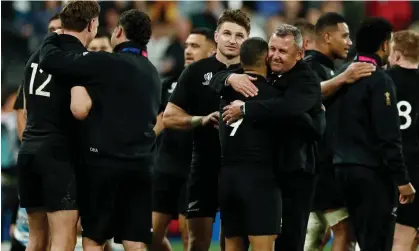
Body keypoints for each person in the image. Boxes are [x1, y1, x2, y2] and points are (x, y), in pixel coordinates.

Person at [39, 7, 160, 251]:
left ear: (119, 32)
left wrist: (53, 36)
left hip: (104, 165)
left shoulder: (105, 62)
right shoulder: (153, 72)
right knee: (135, 242)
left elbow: (51, 62)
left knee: (94, 238)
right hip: (141, 166)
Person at [212, 24, 324, 251]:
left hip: (295, 172)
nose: (274, 56)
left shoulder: (307, 79)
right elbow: (217, 78)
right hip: (266, 174)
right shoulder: (267, 73)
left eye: (282, 51)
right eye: (272, 49)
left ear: (300, 54)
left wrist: (246, 109)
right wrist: (229, 78)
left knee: (289, 241)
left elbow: (290, 108)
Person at [162, 9, 250, 251]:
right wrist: (199, 120)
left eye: (239, 35)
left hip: (240, 169)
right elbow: (169, 117)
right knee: (196, 243)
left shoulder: (254, 74)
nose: (233, 40)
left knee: (233, 243)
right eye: (228, 33)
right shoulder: (195, 71)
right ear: (217, 37)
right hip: (203, 166)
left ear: (247, 40)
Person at [17, 2, 98, 250]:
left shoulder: (36, 56)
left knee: (36, 238)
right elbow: (80, 108)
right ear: (92, 24)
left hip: (29, 150)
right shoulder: (79, 59)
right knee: (63, 238)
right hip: (58, 156)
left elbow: (27, 107)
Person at [332, 17, 416, 251]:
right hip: (370, 175)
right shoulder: (379, 79)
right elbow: (388, 135)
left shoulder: (341, 75)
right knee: (376, 243)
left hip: (340, 170)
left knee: (353, 239)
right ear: (384, 45)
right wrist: (402, 180)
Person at [304, 12, 366, 251]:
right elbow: (308, 94)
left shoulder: (330, 68)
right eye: (345, 36)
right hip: (319, 165)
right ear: (327, 37)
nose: (349, 42)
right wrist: (344, 78)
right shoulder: (311, 66)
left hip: (325, 164)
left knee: (316, 234)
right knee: (345, 230)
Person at [152, 27, 216, 251]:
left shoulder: (217, 86)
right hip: (165, 165)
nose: (188, 51)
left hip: (195, 169)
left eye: (196, 46)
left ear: (212, 51)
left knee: (191, 240)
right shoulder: (169, 83)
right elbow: (159, 121)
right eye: (187, 45)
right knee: (149, 237)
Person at [386, 30, 419, 251]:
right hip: (418, 164)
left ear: (397, 55)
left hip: (394, 166)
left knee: (400, 237)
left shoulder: (384, 80)